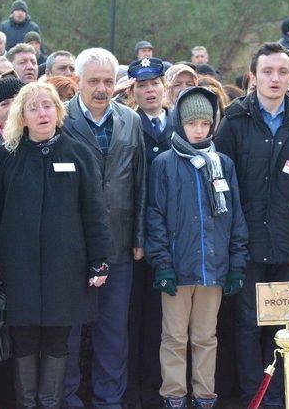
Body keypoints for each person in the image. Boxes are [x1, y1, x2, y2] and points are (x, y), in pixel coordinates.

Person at [0, 81, 112, 408]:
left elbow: (94, 214)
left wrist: (99, 261)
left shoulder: (79, 153)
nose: (42, 113)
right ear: (22, 116)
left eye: (48, 105)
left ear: (58, 111)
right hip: (18, 270)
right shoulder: (6, 156)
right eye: (33, 107)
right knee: (24, 342)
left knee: (58, 343)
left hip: (65, 270)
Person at [214, 42, 289, 408]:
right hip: (247, 244)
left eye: (282, 72)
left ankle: (283, 398)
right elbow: (222, 185)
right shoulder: (234, 120)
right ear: (253, 76)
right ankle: (255, 398)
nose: (274, 78)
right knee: (247, 324)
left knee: (288, 329)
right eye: (267, 71)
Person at [147, 86, 249, 409]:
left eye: (205, 124)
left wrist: (236, 263)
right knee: (174, 337)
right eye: (192, 124)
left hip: (213, 267)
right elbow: (156, 216)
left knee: (206, 337)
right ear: (180, 123)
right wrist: (161, 262)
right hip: (178, 267)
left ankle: (205, 394)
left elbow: (235, 218)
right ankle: (174, 394)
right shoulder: (164, 163)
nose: (199, 130)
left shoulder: (224, 164)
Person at [63, 48, 146, 409]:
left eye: (108, 81)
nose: (101, 88)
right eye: (93, 81)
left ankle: (108, 400)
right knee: (68, 333)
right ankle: (67, 398)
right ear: (78, 82)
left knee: (113, 333)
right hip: (72, 246)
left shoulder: (131, 120)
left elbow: (141, 183)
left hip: (119, 243)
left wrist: (140, 237)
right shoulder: (61, 119)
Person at [125, 57, 171, 409]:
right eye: (142, 85)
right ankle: (133, 390)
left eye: (155, 83)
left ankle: (159, 388)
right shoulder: (128, 126)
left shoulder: (181, 126)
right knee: (133, 319)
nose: (150, 90)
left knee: (163, 322)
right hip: (134, 241)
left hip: (171, 241)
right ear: (133, 91)